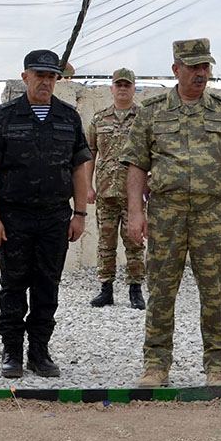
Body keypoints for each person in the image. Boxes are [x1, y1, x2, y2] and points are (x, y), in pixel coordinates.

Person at [122, 38, 221, 388]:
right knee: (161, 290)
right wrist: (135, 213)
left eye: (205, 66)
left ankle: (217, 366)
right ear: (176, 69)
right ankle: (156, 364)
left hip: (211, 214)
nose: (201, 73)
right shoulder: (152, 111)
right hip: (165, 213)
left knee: (215, 292)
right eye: (193, 67)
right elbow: (136, 165)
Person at [0, 49, 91, 379]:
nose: (45, 81)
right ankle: (12, 351)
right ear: (25, 76)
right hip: (13, 218)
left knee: (47, 286)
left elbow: (79, 168)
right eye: (39, 75)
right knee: (13, 285)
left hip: (54, 218)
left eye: (51, 76)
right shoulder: (4, 116)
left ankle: (39, 352)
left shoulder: (68, 117)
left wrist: (80, 214)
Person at [87, 68, 146, 309]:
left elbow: (153, 154)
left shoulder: (144, 118)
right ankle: (106, 289)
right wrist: (87, 186)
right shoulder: (99, 119)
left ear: (133, 88)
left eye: (127, 85)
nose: (122, 88)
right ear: (111, 88)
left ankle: (135, 290)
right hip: (105, 192)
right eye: (118, 84)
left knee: (135, 242)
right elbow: (90, 153)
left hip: (134, 195)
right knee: (105, 242)